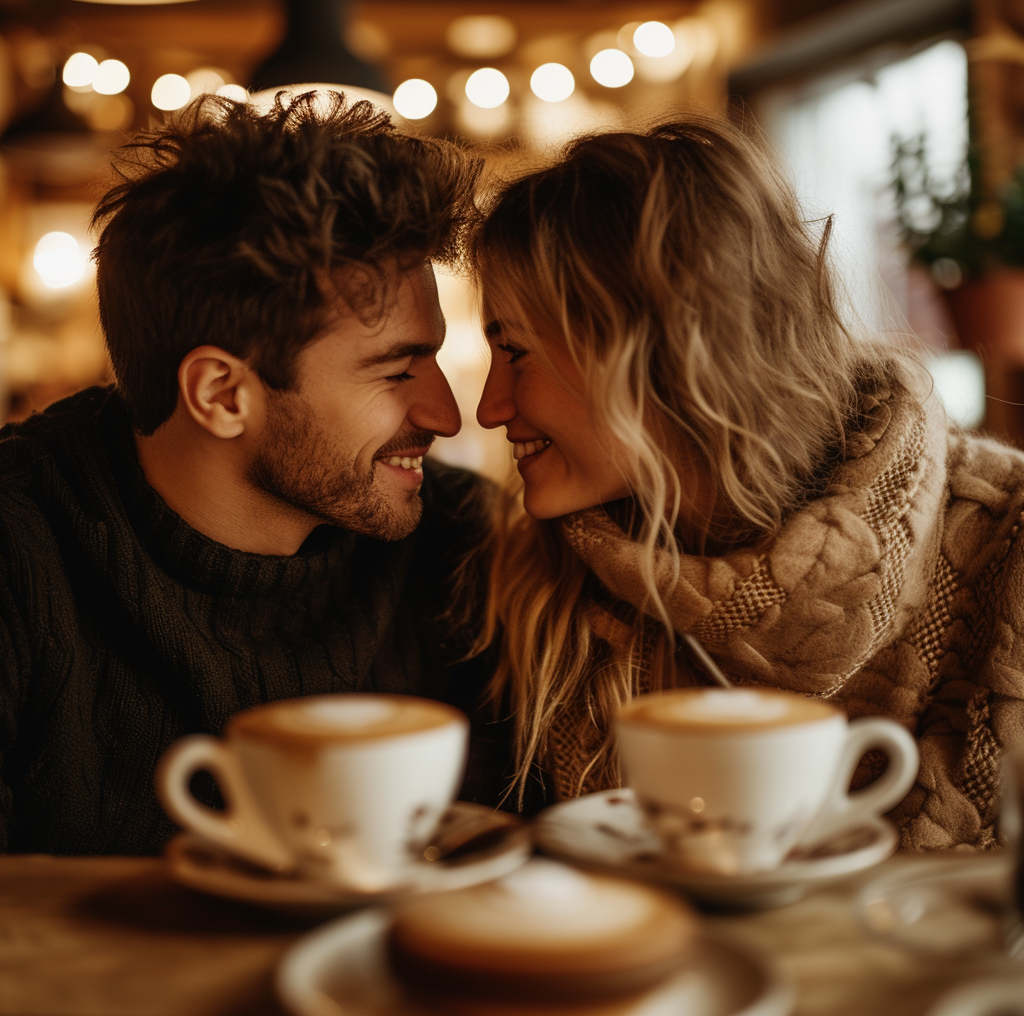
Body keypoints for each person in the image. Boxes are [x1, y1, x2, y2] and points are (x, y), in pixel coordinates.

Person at [473, 115, 1024, 851]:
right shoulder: (537, 580)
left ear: (669, 353)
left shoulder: (1008, 545)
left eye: (516, 352)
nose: (487, 407)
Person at [0, 92, 506, 855]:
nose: (448, 416)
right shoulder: (19, 547)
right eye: (398, 370)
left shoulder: (467, 541)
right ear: (221, 394)